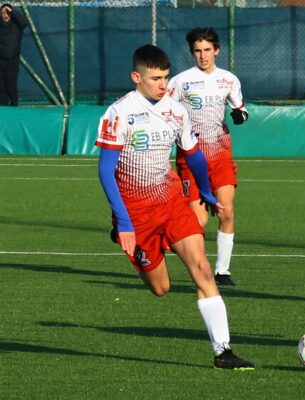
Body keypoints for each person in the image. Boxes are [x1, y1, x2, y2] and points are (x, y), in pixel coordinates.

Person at [96, 44, 254, 370]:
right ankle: (133, 243)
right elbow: (105, 170)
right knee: (161, 288)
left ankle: (223, 351)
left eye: (166, 77)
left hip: (172, 203)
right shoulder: (119, 113)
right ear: (136, 77)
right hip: (136, 214)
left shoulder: (176, 110)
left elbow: (193, 153)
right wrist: (124, 221)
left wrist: (206, 191)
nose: (163, 84)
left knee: (202, 269)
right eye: (155, 78)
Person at [168, 27, 249, 287]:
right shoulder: (181, 81)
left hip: (221, 154)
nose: (202, 56)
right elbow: (165, 110)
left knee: (226, 211)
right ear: (192, 52)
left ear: (217, 50)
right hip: (191, 156)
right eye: (197, 51)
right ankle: (197, 265)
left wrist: (240, 115)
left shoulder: (229, 80)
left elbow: (240, 109)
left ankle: (222, 271)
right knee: (199, 220)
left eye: (207, 50)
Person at [0, 3, 28, 106]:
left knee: (11, 84)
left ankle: (14, 105)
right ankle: (3, 107)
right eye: (2, 13)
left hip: (12, 60)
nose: (5, 15)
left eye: (7, 13)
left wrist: (11, 11)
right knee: (1, 86)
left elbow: (25, 22)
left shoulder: (17, 25)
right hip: (1, 60)